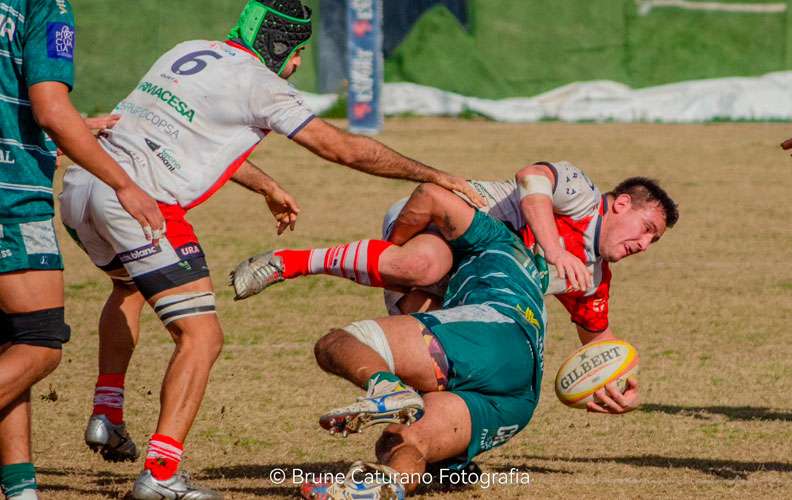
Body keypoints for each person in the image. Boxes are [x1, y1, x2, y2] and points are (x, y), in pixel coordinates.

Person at [58, 0, 482, 498]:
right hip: (139, 201)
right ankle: (162, 473)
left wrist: (265, 186)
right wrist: (432, 174)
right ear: (281, 46)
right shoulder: (265, 86)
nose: (299, 63)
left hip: (84, 184)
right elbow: (342, 148)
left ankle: (107, 411)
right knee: (202, 337)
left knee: (125, 288)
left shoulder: (189, 50)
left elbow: (190, 136)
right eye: (297, 51)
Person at [231, 161, 679, 413]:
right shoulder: (581, 191)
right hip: (444, 224)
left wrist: (618, 381)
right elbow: (532, 179)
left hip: (468, 279)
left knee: (435, 361)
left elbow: (598, 339)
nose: (643, 244)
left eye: (653, 242)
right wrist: (555, 249)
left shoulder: (594, 275)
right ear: (621, 204)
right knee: (421, 265)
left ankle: (436, 458)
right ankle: (287, 262)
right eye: (645, 228)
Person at [297, 184, 566, 499]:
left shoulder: (496, 237)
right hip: (518, 397)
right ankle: (384, 486)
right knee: (400, 443)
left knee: (339, 343)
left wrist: (395, 247)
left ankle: (387, 388)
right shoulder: (514, 270)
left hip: (496, 333)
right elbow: (430, 341)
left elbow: (430, 194)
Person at [0, 1, 163, 498]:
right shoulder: (44, 4)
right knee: (39, 344)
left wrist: (68, 131)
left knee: (10, 340)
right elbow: (50, 109)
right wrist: (124, 184)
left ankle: (21, 487)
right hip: (10, 194)